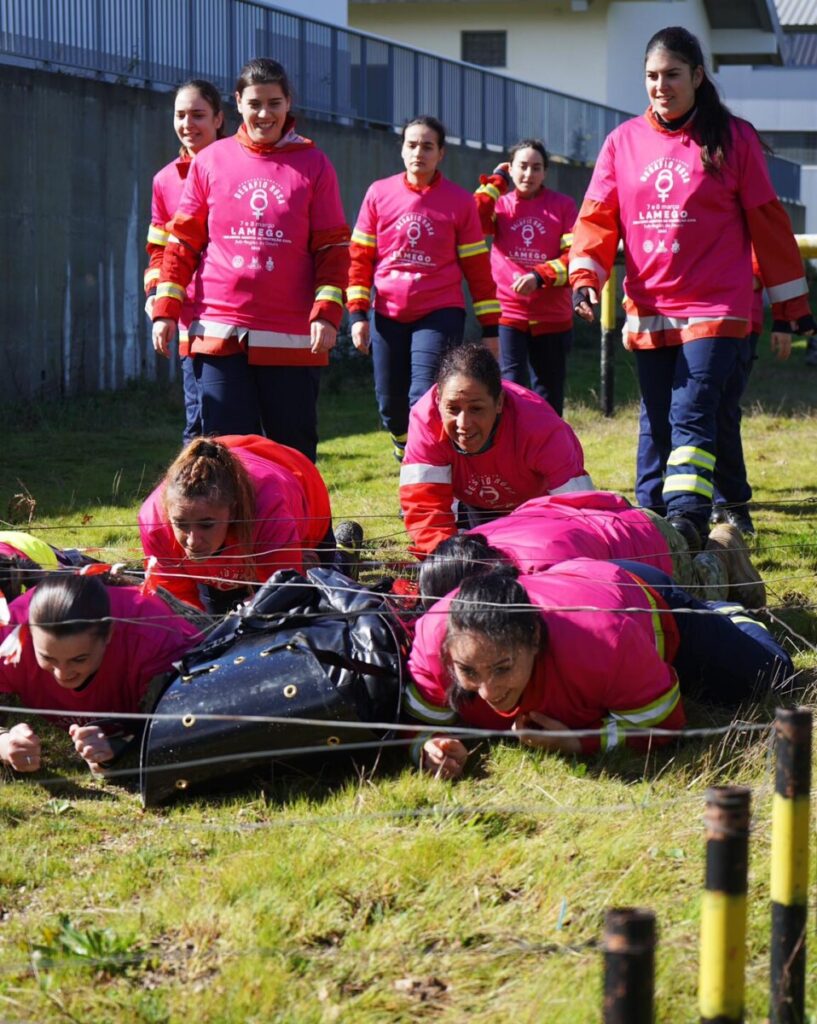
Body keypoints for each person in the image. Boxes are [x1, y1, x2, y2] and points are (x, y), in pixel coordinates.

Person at [570, 26, 814, 551]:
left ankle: (686, 522)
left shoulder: (734, 138)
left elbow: (769, 224)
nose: (661, 86)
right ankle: (650, 522)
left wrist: (791, 308)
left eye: (673, 75)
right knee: (657, 421)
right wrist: (584, 278)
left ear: (698, 77)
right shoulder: (622, 143)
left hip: (716, 309)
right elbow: (595, 219)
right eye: (652, 77)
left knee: (692, 411)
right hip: (650, 308)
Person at [406, 560, 793, 778]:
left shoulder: (604, 643)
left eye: (503, 669)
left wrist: (581, 741)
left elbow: (664, 724)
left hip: (643, 598)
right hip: (567, 581)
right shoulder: (433, 644)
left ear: (535, 643)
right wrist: (428, 746)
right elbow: (407, 727)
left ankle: (728, 613)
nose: (488, 691)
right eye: (469, 672)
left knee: (772, 675)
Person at [151, 58, 350, 462]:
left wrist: (327, 313)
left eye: (274, 103)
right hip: (219, 333)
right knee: (227, 456)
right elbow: (183, 242)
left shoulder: (314, 164)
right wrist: (166, 309)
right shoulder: (210, 161)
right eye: (255, 103)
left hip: (290, 338)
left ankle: (307, 529)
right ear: (238, 103)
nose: (265, 114)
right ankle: (235, 529)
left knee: (293, 457)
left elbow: (331, 247)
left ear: (288, 103)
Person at [347, 116, 500, 463]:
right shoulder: (378, 193)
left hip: (439, 311)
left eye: (428, 146)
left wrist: (491, 329)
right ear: (402, 149)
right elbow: (359, 258)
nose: (419, 152)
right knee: (391, 405)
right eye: (412, 144)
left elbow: (478, 270)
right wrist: (357, 313)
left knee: (424, 395)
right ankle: (405, 448)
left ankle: (424, 468)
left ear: (441, 153)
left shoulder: (460, 203)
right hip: (387, 312)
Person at [416, 490, 766, 609]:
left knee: (698, 601)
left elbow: (616, 595)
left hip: (648, 544)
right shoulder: (477, 537)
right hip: (615, 517)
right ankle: (686, 542)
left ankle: (720, 547)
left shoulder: (538, 579)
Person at [399, 343, 593, 556]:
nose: (464, 423)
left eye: (476, 409)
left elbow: (579, 512)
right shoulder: (425, 421)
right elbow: (425, 510)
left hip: (539, 514)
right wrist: (450, 564)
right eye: (453, 409)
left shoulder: (541, 427)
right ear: (438, 401)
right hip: (471, 509)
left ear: (499, 402)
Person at [0, 574, 201, 774]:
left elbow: (185, 725)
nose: (63, 674)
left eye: (79, 659)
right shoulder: (9, 639)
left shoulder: (153, 640)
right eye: (48, 658)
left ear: (109, 634)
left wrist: (121, 747)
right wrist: (5, 744)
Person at [139, 434, 352, 614]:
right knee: (215, 621)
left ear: (232, 511)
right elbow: (177, 606)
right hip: (236, 546)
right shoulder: (154, 522)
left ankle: (342, 558)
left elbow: (284, 601)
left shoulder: (268, 507)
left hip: (297, 489)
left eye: (206, 524)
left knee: (323, 605)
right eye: (181, 524)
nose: (193, 541)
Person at [144, 79, 225, 445]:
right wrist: (157, 297)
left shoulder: (240, 169)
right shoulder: (164, 180)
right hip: (189, 316)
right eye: (180, 115)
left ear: (219, 118)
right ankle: (196, 500)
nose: (188, 124)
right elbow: (159, 249)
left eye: (198, 115)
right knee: (198, 420)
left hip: (237, 312)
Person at [473, 139, 577, 416]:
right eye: (522, 166)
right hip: (508, 313)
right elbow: (472, 219)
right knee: (511, 388)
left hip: (553, 316)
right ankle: (515, 452)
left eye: (536, 167)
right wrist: (495, 183)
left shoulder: (563, 206)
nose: (528, 174)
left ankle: (548, 452)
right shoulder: (501, 205)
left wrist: (539, 276)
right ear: (510, 168)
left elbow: (574, 257)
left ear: (546, 172)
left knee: (549, 393)